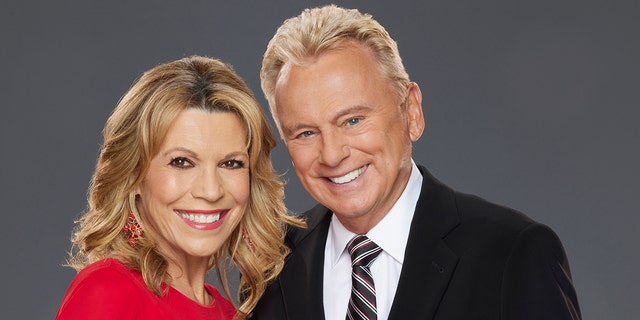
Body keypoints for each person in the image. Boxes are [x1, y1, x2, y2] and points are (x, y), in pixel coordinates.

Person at [250, 5, 581, 320]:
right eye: (306, 133)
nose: (333, 155)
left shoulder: (512, 254)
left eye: (352, 121)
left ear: (411, 112)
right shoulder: (273, 263)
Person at [56, 55, 305, 320]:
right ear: (133, 176)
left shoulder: (229, 313)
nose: (211, 191)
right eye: (181, 162)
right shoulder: (109, 291)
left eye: (231, 163)